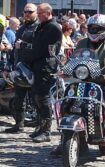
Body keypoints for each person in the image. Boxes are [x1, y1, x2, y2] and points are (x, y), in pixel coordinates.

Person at [51, 14, 105, 160]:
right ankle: (64, 139)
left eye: (98, 28)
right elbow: (73, 60)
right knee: (67, 101)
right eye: (92, 28)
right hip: (84, 80)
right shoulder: (82, 42)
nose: (95, 30)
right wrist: (65, 71)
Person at [28, 3, 62, 142]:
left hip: (46, 67)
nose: (38, 15)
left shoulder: (53, 27)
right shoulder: (42, 26)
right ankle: (40, 128)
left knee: (44, 98)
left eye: (41, 13)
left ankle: (46, 131)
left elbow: (42, 49)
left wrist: (29, 57)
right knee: (37, 98)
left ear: (48, 13)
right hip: (38, 66)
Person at [4, 3, 39, 133]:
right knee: (19, 99)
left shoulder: (40, 28)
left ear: (36, 12)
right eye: (25, 12)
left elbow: (40, 49)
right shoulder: (21, 29)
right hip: (20, 69)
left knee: (37, 100)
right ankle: (19, 125)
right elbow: (14, 50)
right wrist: (8, 67)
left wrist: (23, 46)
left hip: (35, 69)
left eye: (30, 12)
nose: (27, 14)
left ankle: (40, 128)